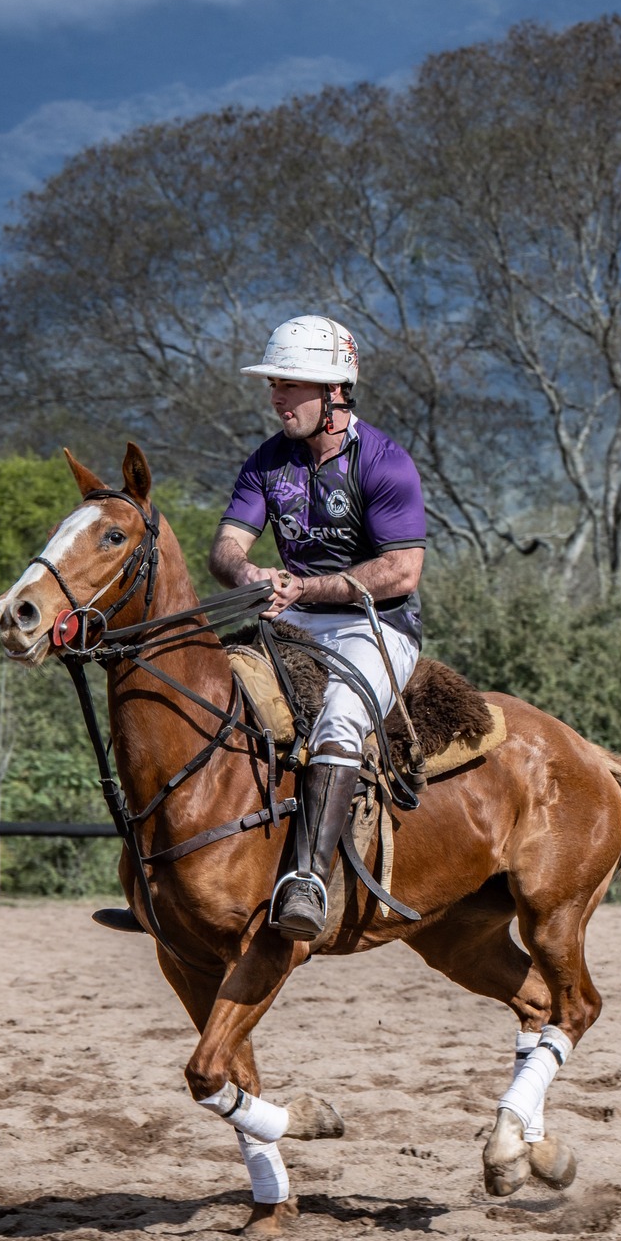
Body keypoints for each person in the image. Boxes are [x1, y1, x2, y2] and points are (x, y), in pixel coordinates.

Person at [210, 315, 427, 941]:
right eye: (274, 384)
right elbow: (226, 547)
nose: (277, 397)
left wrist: (303, 587)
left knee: (339, 720)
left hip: (375, 625)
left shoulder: (385, 463)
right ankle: (182, 879)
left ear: (335, 391)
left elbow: (401, 571)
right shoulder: (266, 460)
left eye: (290, 385)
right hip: (289, 619)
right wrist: (249, 573)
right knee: (208, 697)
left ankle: (306, 879)